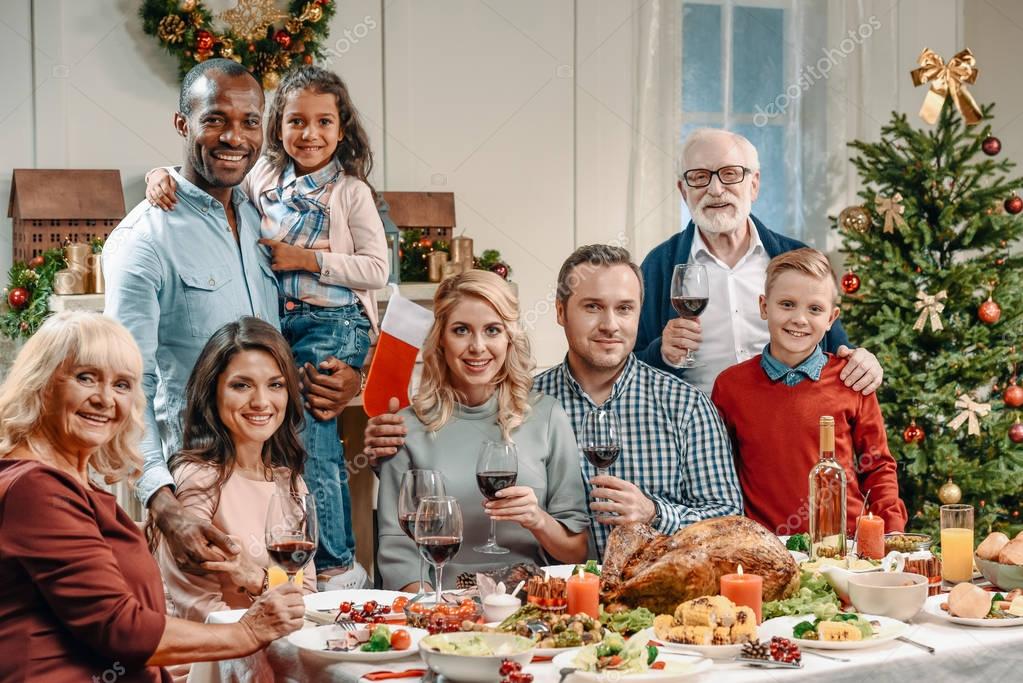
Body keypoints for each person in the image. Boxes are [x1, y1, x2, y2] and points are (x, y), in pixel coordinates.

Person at [104, 59, 357, 584]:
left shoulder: (265, 213)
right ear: (183, 124)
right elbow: (125, 388)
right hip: (198, 493)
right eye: (215, 119)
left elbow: (321, 312)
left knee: (293, 623)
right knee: (210, 631)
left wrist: (351, 379)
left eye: (249, 121)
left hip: (276, 480)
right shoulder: (143, 241)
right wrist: (164, 503)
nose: (234, 137)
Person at [368, 246, 743, 559]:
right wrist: (386, 454)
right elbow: (448, 465)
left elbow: (731, 524)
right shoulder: (522, 405)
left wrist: (655, 512)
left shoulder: (686, 406)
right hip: (554, 601)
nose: (610, 324)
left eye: (625, 308)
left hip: (659, 601)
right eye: (592, 307)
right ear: (561, 312)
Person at [0, 311, 304, 682]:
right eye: (85, 377)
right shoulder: (36, 487)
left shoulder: (72, 485)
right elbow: (120, 628)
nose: (105, 399)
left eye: (122, 384)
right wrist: (249, 632)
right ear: (41, 382)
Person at [376, 271, 589, 590]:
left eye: (492, 330)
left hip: (530, 600)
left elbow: (577, 552)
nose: (477, 347)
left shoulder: (547, 416)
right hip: (442, 598)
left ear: (509, 338)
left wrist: (537, 519)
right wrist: (437, 609)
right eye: (461, 330)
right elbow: (397, 553)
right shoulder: (405, 427)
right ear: (441, 338)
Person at [635, 128, 883, 396]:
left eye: (730, 174)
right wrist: (661, 353)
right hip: (696, 419)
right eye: (699, 177)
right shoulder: (659, 265)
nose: (715, 189)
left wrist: (864, 363)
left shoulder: (797, 257)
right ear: (684, 191)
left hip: (786, 415)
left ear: (753, 184)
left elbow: (836, 350)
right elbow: (627, 368)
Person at [711, 248, 907, 536]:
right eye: (787, 304)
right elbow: (718, 476)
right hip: (768, 547)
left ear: (831, 318)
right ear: (764, 306)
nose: (800, 319)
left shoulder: (852, 378)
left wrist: (892, 532)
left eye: (814, 309)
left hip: (848, 545)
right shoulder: (730, 386)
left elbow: (877, 466)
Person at [155, 317, 317, 623]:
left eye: (275, 385)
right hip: (211, 650)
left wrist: (257, 579)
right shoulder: (197, 479)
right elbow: (200, 612)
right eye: (241, 385)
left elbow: (306, 598)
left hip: (276, 640)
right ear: (213, 392)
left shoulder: (290, 482)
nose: (261, 402)